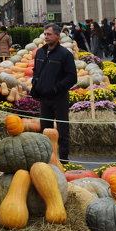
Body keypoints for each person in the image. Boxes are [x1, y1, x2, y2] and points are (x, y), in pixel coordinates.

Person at [30, 24, 77, 161]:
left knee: (62, 130)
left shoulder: (65, 54)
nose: (46, 37)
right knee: (45, 130)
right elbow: (36, 71)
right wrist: (35, 84)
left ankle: (63, 160)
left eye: (49, 34)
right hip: (44, 98)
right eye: (45, 34)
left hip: (59, 98)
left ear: (57, 36)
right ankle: (47, 158)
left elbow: (72, 77)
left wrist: (56, 88)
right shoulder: (40, 52)